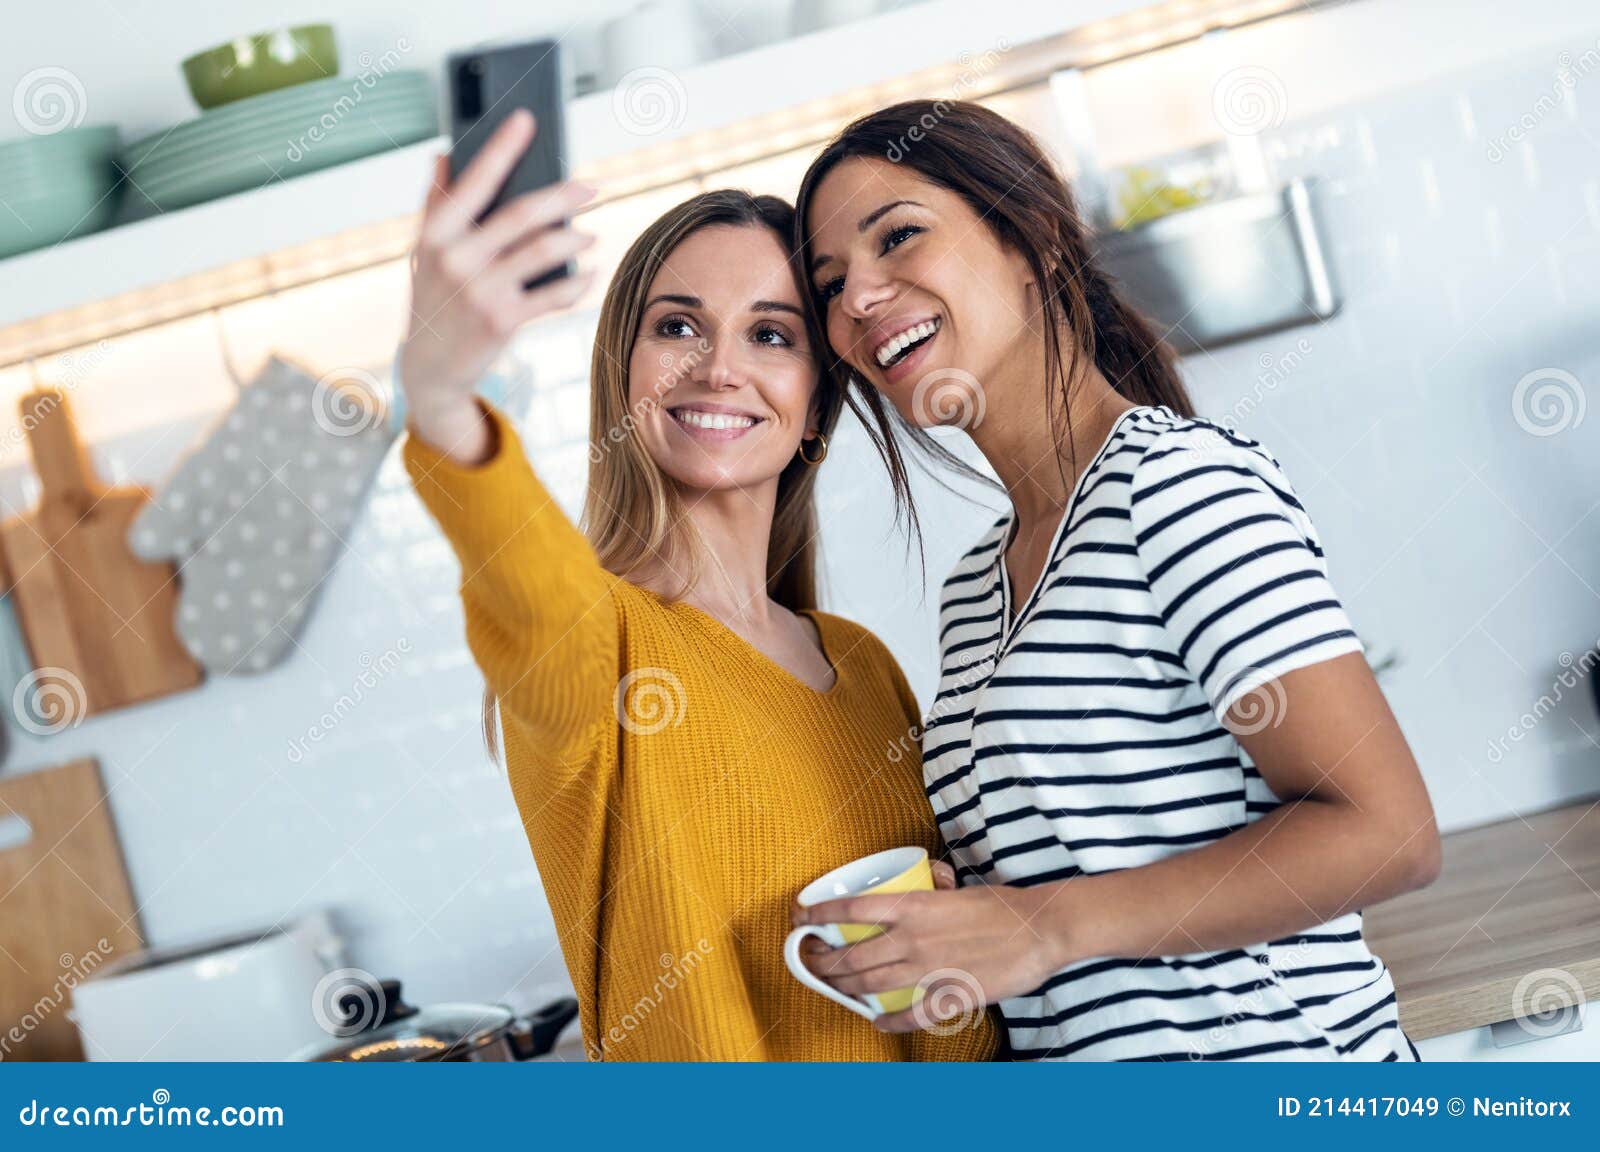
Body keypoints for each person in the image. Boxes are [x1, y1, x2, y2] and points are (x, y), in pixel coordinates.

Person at [792, 100, 1440, 1061]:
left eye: (900, 237)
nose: (857, 299)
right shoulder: (974, 593)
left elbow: (1388, 833)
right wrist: (967, 921)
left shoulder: (1173, 488)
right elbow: (1088, 871)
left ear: (1032, 242)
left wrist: (1042, 925)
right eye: (831, 283)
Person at [398, 110, 997, 1061]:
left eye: (771, 334)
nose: (719, 367)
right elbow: (533, 590)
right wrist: (438, 393)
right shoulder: (601, 646)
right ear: (623, 376)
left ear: (813, 409)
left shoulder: (862, 665)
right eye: (677, 326)